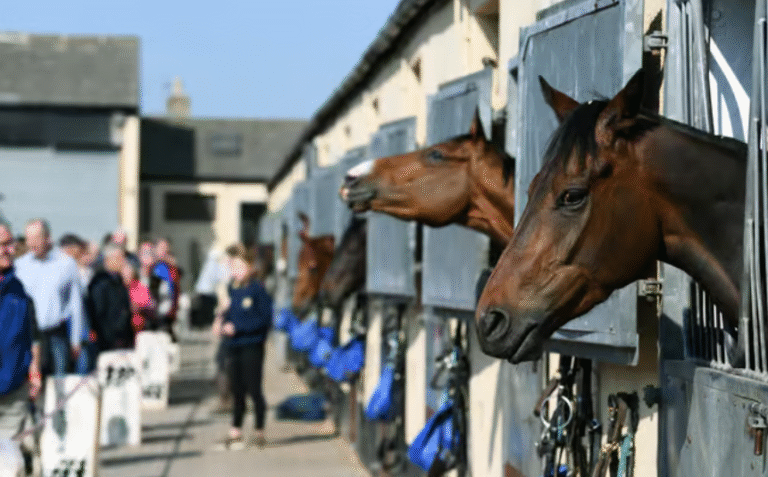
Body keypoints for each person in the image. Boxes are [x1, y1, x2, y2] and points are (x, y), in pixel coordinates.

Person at [214, 245, 272, 449]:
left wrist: (238, 327)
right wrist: (222, 322)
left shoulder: (258, 290)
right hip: (234, 345)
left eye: (240, 267)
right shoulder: (232, 289)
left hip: (252, 345)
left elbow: (264, 319)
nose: (236, 271)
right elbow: (228, 313)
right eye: (233, 267)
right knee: (237, 389)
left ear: (249, 267)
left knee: (254, 388)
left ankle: (259, 430)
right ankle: (235, 429)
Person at [16, 219, 84, 377]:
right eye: (29, 239)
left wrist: (76, 340)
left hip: (56, 336)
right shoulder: (20, 266)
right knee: (32, 384)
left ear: (48, 238)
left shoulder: (66, 264)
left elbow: (76, 305)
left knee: (60, 384)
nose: (32, 243)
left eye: (36, 238)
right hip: (29, 336)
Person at [0, 219, 41, 441]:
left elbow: (30, 334)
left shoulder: (18, 289)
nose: (10, 250)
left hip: (13, 392)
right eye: (3, 244)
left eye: (11, 243)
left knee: (7, 462)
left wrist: (34, 371)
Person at [59, 234, 96, 374]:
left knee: (83, 372)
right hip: (65, 330)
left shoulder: (82, 272)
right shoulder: (60, 270)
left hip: (82, 331)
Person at [87, 244, 132, 352]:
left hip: (121, 339)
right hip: (107, 341)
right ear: (109, 260)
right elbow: (98, 313)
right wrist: (111, 336)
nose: (124, 261)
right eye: (120, 258)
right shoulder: (100, 282)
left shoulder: (119, 281)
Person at [151, 237, 180, 340]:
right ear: (155, 249)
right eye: (162, 248)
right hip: (158, 311)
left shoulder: (169, 267)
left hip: (169, 309)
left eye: (167, 248)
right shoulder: (153, 266)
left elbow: (175, 285)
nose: (165, 251)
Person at [121, 260, 156, 340]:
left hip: (139, 326)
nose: (126, 274)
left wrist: (138, 306)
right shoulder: (118, 287)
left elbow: (148, 303)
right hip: (122, 327)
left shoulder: (140, 286)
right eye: (124, 271)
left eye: (128, 271)